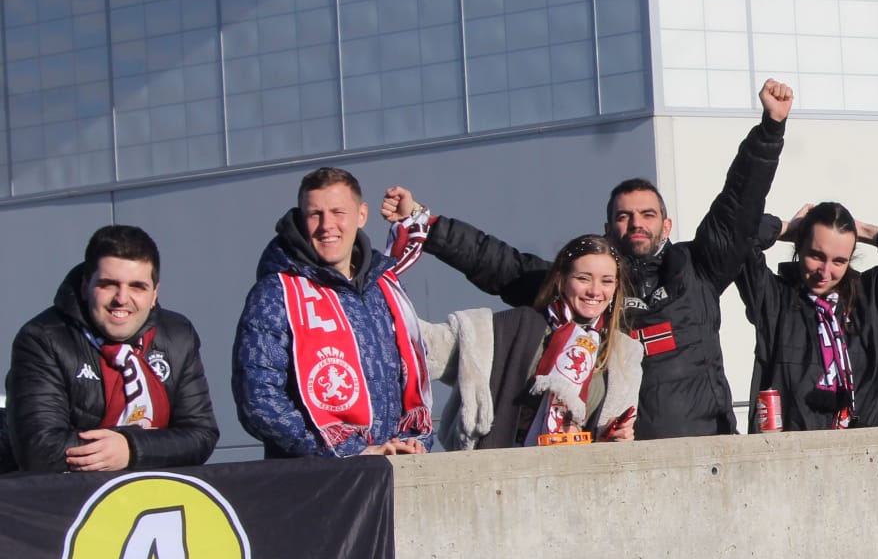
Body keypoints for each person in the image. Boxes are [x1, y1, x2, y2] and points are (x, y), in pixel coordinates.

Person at [381, 80, 791, 440]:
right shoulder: (587, 285)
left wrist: (770, 130)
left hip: (707, 444)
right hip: (619, 454)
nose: (636, 224)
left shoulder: (699, 267)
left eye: (647, 215)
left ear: (666, 225)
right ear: (608, 226)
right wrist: (429, 226)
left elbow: (738, 208)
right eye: (624, 216)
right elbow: (502, 264)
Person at [235, 167, 434, 458]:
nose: (326, 225)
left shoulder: (386, 287)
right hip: (320, 485)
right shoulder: (276, 294)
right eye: (315, 214)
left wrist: (413, 441)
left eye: (338, 212)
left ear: (361, 215)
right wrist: (351, 453)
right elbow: (259, 402)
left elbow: (411, 378)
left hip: (393, 473)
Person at [5, 225, 218, 474]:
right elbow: (40, 449)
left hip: (155, 496)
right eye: (108, 284)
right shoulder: (42, 339)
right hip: (68, 502)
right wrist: (124, 449)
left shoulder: (178, 334)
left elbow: (201, 435)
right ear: (85, 286)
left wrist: (131, 448)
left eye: (138, 286)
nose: (121, 298)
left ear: (154, 294)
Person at [421, 235, 644, 449]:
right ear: (561, 279)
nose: (595, 291)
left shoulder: (622, 352)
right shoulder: (511, 327)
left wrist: (618, 438)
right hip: (505, 474)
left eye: (606, 281)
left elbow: (613, 432)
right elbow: (424, 349)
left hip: (580, 477)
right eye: (583, 278)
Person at [734, 203, 878, 431]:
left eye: (839, 261)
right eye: (816, 256)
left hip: (866, 450)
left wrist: (864, 231)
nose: (825, 272)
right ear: (798, 246)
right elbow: (738, 241)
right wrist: (784, 227)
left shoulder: (870, 298)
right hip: (792, 453)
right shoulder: (774, 300)